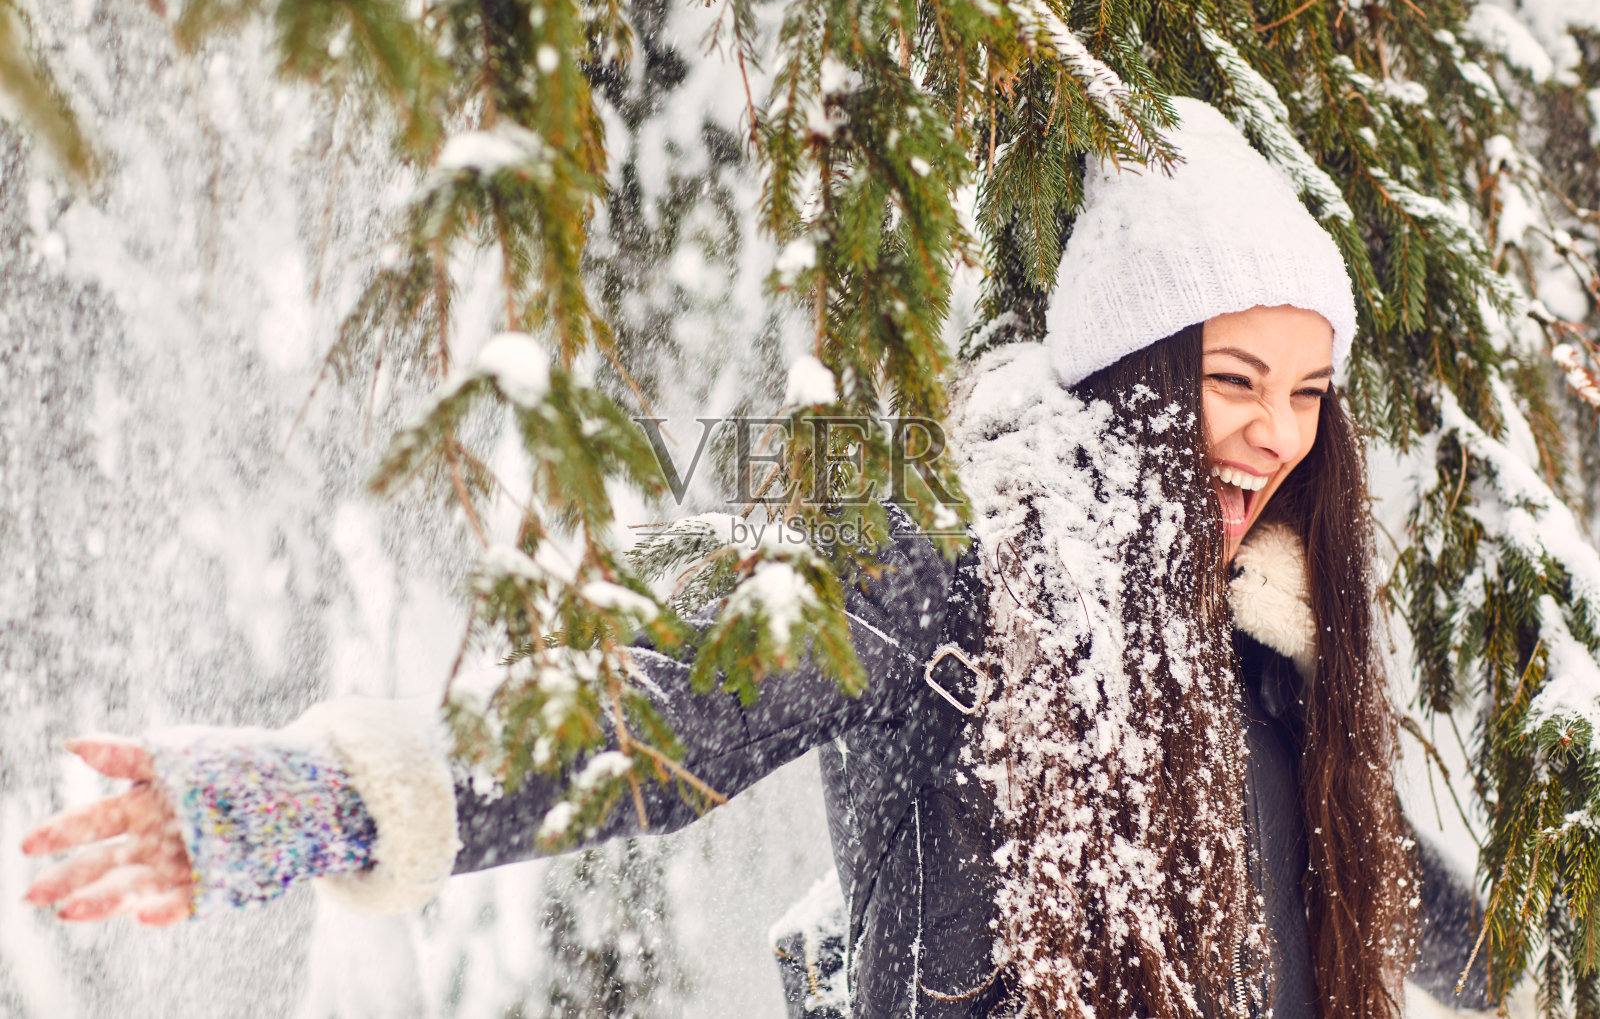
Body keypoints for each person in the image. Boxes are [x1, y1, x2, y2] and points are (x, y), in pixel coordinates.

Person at [21, 99, 1490, 1019]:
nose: (1276, 436)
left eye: (1307, 395)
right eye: (1234, 381)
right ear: (1130, 374)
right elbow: (651, 724)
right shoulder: (941, 572)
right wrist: (320, 800)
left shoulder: (1261, 647)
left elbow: (1399, 902)